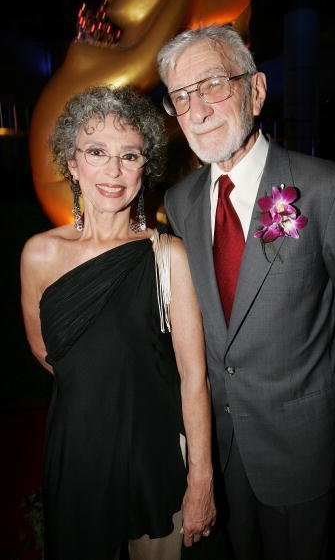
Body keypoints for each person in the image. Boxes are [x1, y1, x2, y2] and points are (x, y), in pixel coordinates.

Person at [157, 24, 335, 560]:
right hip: (220, 449)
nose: (199, 109)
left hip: (300, 445)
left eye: (212, 84)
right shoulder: (180, 200)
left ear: (255, 91)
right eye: (181, 97)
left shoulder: (329, 189)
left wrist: (306, 390)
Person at [20, 85, 216, 560]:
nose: (112, 171)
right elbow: (49, 355)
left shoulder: (167, 254)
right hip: (79, 449)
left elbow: (194, 377)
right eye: (96, 152)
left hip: (155, 453)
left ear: (143, 168)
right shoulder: (40, 253)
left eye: (128, 156)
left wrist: (201, 480)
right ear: (72, 163)